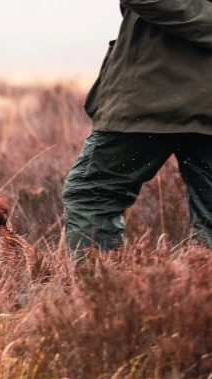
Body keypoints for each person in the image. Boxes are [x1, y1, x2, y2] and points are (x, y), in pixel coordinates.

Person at [63, 0, 212, 253]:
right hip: (161, 95)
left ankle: (101, 288)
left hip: (150, 95)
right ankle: (198, 288)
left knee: (94, 194)